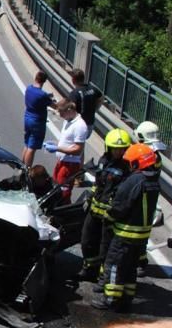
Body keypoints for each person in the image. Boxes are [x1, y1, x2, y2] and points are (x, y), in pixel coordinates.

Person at [96, 143, 160, 312]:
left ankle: (110, 299)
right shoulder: (153, 181)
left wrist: (109, 217)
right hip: (141, 237)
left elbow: (120, 205)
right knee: (130, 268)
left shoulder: (134, 180)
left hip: (125, 234)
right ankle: (126, 299)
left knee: (114, 265)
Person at [78, 128, 132, 281]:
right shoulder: (104, 161)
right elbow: (99, 184)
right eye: (116, 149)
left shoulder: (127, 168)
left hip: (110, 217)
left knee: (105, 248)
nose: (119, 152)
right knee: (87, 241)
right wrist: (90, 199)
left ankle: (103, 278)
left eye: (122, 149)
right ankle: (89, 269)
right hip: (94, 211)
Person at [44, 99, 88, 202]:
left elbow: (78, 150)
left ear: (69, 109)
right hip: (62, 161)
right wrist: (55, 144)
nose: (59, 115)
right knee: (55, 187)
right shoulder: (67, 121)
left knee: (64, 192)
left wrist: (57, 148)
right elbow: (67, 141)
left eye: (61, 112)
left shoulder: (80, 126)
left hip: (70, 164)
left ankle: (62, 213)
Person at [21, 71, 56, 169]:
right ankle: (27, 170)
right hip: (37, 122)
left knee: (27, 144)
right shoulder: (43, 95)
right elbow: (54, 106)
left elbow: (37, 98)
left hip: (27, 118)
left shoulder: (28, 89)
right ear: (44, 81)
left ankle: (21, 166)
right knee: (32, 148)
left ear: (36, 78)